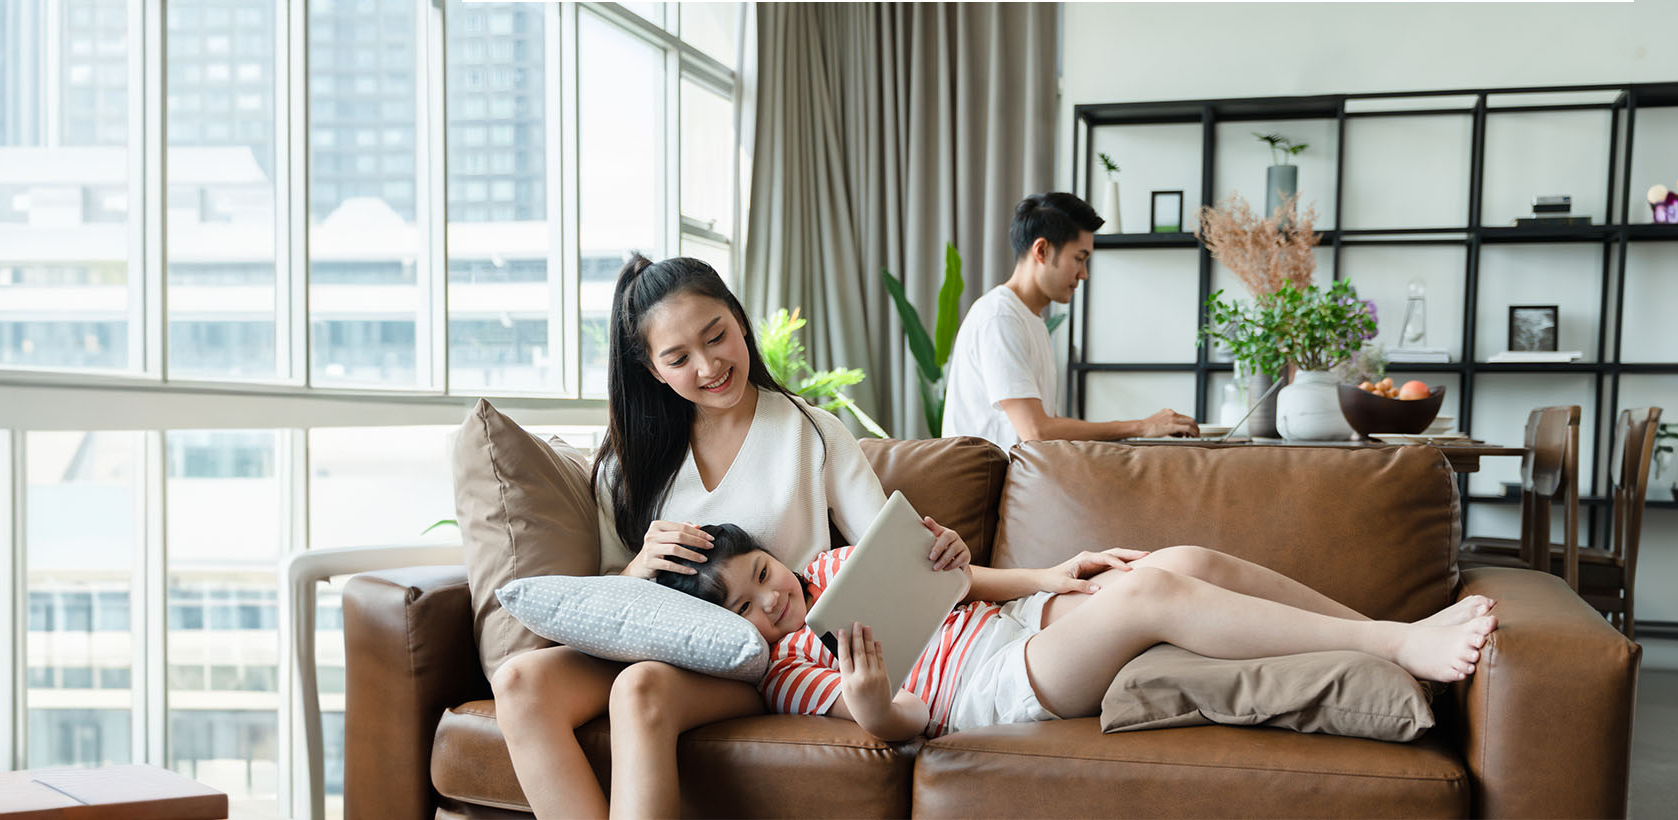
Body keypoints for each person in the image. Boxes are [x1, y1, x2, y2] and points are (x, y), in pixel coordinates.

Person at [488, 254, 974, 819]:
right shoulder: (630, 467)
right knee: (520, 681)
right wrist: (637, 569)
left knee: (639, 689)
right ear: (654, 371)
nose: (708, 365)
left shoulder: (810, 431)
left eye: (716, 335)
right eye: (678, 358)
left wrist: (1018, 574)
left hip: (770, 655)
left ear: (739, 321)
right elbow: (605, 594)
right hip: (662, 643)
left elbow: (894, 558)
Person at [662, 522, 1500, 741]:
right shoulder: (789, 668)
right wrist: (875, 705)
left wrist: (1043, 572)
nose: (767, 602)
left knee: (1182, 556)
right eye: (741, 607)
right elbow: (907, 724)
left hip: (1010, 622)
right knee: (1152, 595)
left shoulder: (834, 563)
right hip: (987, 688)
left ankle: (1391, 628)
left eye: (761, 575)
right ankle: (1393, 646)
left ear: (775, 556)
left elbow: (960, 584)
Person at [941, 192, 1200, 448]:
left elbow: (1045, 429)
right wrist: (1142, 426)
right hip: (990, 486)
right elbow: (1036, 430)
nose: (1084, 274)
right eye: (1079, 258)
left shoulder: (1030, 320)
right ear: (1041, 250)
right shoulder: (1000, 317)